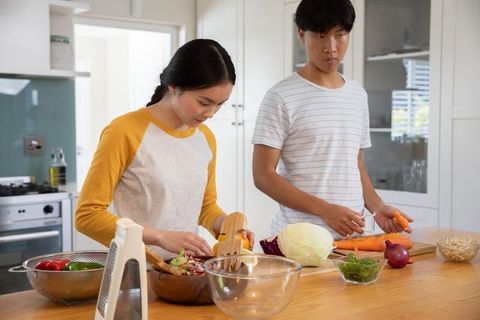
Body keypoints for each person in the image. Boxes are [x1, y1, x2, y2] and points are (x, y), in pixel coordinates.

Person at [76, 39, 254, 259]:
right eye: (204, 102)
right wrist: (160, 236)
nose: (211, 113)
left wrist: (227, 226)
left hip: (184, 272)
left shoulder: (205, 138)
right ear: (174, 86)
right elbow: (87, 216)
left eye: (220, 104)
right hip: (135, 271)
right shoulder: (124, 131)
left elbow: (205, 206)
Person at [251, 0, 412, 239]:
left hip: (353, 239)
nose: (332, 47)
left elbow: (355, 164)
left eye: (340, 35)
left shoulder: (357, 94)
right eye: (320, 36)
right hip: (299, 241)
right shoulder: (280, 96)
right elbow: (263, 175)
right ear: (302, 35)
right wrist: (325, 211)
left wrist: (377, 207)